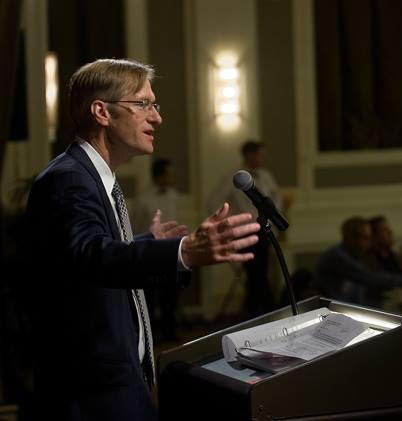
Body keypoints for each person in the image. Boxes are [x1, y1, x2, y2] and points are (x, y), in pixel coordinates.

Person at [25, 59, 260, 421]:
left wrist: (142, 242)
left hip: (114, 384)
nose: (157, 117)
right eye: (144, 104)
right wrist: (183, 252)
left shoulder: (93, 177)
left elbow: (81, 258)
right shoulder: (69, 179)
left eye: (156, 105)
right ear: (102, 112)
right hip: (92, 395)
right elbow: (90, 256)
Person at [208, 140, 281, 318]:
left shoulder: (266, 175)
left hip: (264, 229)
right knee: (254, 272)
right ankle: (261, 311)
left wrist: (272, 220)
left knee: (261, 271)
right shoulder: (234, 177)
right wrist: (227, 224)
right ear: (248, 155)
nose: (263, 158)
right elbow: (213, 202)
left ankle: (258, 311)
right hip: (246, 229)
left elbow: (275, 198)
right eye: (259, 154)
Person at [133, 158, 181, 341]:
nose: (173, 177)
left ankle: (170, 333)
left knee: (170, 295)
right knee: (150, 298)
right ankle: (150, 335)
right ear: (159, 176)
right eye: (169, 173)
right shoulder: (143, 199)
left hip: (171, 251)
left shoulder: (174, 195)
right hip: (151, 252)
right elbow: (136, 226)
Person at [314, 217, 402, 305]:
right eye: (365, 238)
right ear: (349, 237)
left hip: (346, 308)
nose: (369, 242)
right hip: (333, 313)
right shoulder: (336, 257)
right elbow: (370, 278)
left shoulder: (353, 255)